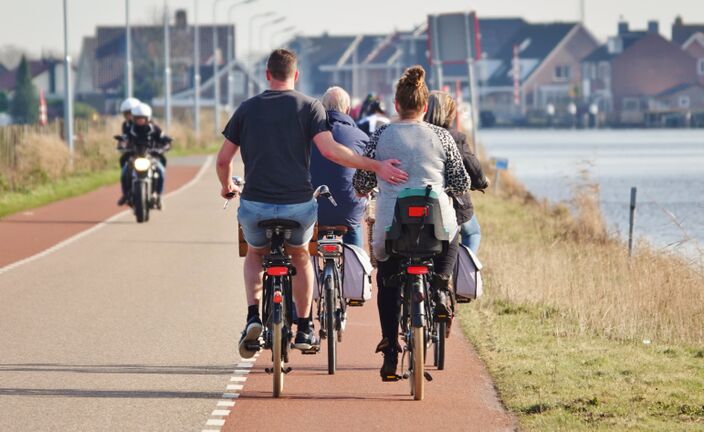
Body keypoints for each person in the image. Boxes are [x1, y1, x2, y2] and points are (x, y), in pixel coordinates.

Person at [216, 49, 408, 359]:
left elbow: (224, 159)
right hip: (297, 206)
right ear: (296, 75)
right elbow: (332, 152)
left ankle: (253, 316)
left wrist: (226, 187)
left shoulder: (246, 109)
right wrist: (376, 166)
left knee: (254, 254)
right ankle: (304, 326)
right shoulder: (310, 107)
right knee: (301, 256)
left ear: (267, 74)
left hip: (256, 204)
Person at [353, 66, 470, 380]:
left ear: (396, 104)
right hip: (436, 226)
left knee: (387, 278)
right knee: (454, 234)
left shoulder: (381, 135)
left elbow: (362, 180)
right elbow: (460, 182)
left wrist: (369, 185)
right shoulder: (442, 136)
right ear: (424, 107)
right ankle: (443, 285)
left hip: (393, 226)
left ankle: (391, 347)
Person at [424, 91, 489, 253]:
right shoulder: (455, 137)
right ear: (450, 113)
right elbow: (471, 164)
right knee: (472, 233)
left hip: (421, 196)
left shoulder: (418, 133)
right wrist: (482, 182)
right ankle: (463, 270)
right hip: (453, 200)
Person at [310, 86, 369, 247]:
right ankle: (357, 264)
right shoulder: (360, 137)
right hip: (347, 211)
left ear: (322, 108)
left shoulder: (307, 134)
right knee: (353, 226)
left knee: (303, 249)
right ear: (348, 110)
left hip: (314, 210)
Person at [118, 103, 171, 208]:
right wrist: (122, 145)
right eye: (138, 118)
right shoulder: (130, 129)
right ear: (134, 118)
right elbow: (123, 139)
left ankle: (158, 195)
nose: (140, 121)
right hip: (135, 156)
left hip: (150, 157)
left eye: (143, 118)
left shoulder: (154, 129)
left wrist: (164, 147)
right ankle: (126, 194)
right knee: (124, 172)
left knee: (160, 170)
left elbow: (165, 140)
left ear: (148, 118)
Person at [116, 97, 141, 181]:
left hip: (146, 151)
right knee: (123, 162)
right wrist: (121, 144)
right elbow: (124, 137)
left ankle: (158, 191)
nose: (128, 116)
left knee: (159, 167)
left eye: (129, 113)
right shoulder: (125, 125)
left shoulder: (147, 123)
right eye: (125, 113)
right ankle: (126, 191)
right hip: (133, 152)